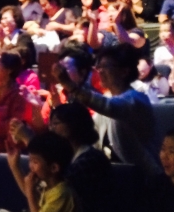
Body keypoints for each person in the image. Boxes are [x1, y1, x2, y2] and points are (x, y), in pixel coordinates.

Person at [55, 44, 161, 176]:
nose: (100, 71)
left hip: (143, 175)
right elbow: (93, 133)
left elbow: (109, 106)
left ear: (124, 71)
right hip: (114, 172)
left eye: (106, 67)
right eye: (99, 67)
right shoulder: (108, 97)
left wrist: (70, 85)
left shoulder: (136, 99)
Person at [153, 19, 174, 93]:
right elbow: (158, 70)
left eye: (166, 31)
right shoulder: (159, 51)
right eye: (161, 31)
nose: (163, 34)